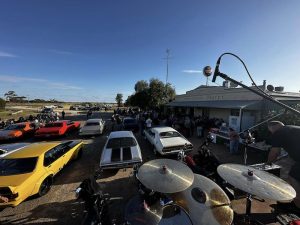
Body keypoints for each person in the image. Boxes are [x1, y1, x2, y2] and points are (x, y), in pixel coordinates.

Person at [267, 121, 300, 208]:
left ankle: (297, 205)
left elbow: (275, 152)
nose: (272, 133)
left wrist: (268, 164)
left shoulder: (279, 132)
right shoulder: (293, 127)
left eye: (270, 131)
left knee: (292, 177)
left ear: (272, 127)